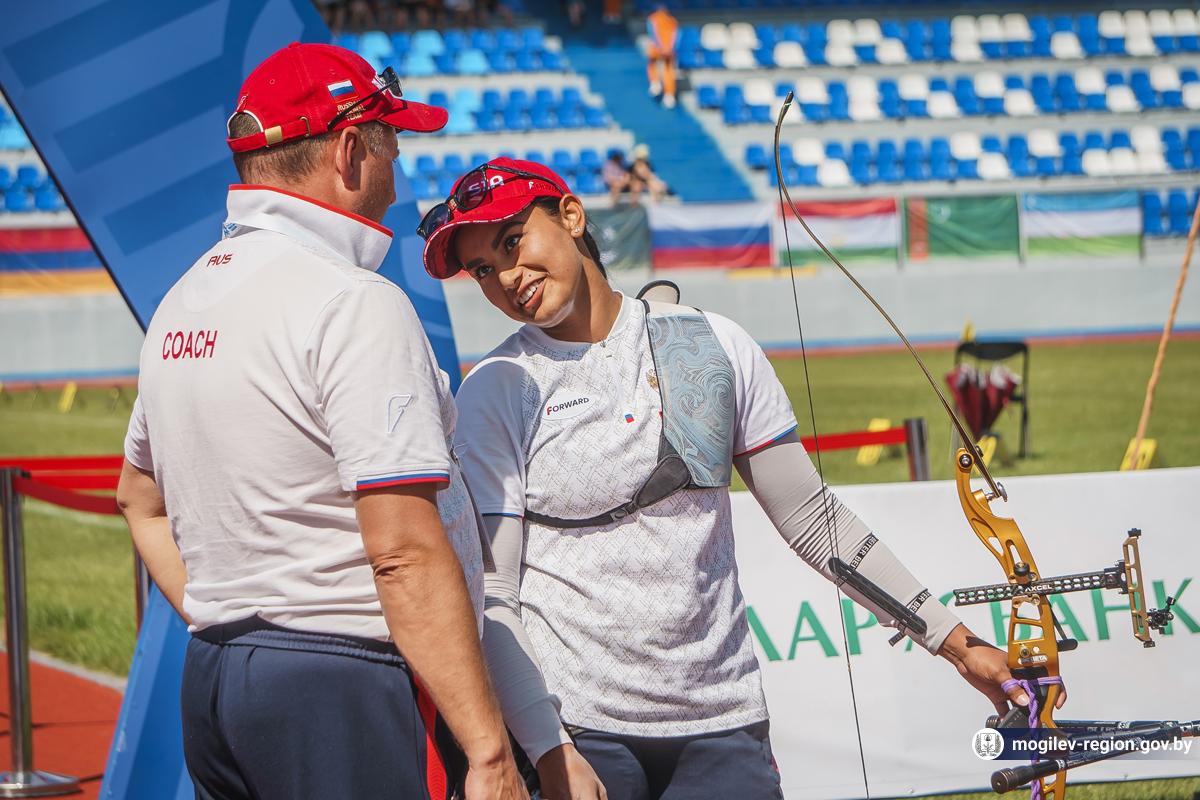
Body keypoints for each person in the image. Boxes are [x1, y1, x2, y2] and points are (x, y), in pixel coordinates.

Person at [416, 158, 1049, 800]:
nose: (507, 277)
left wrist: (955, 643)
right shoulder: (497, 387)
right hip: (578, 729)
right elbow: (494, 592)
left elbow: (812, 519)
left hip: (724, 720)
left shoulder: (709, 345)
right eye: (483, 270)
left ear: (572, 216)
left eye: (512, 241)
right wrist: (549, 749)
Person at [115, 44, 527, 800]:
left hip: (215, 676)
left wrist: (225, 616)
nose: (397, 168)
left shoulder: (182, 301)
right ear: (348, 151)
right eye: (390, 141)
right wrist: (489, 751)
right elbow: (402, 551)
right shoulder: (353, 300)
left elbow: (138, 502)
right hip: (341, 681)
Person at [646, 4, 679, 108]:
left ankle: (655, 83)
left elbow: (653, 34)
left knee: (652, 64)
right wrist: (670, 48)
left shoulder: (653, 18)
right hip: (669, 49)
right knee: (668, 70)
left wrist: (660, 46)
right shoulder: (672, 20)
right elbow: (676, 36)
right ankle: (669, 95)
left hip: (658, 48)